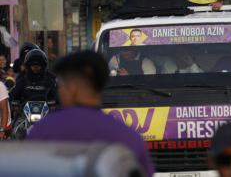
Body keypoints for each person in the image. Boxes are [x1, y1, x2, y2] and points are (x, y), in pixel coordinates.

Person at [26, 51, 155, 176]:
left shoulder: (42, 130)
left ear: (72, 88)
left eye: (61, 86)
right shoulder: (129, 137)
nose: (59, 92)